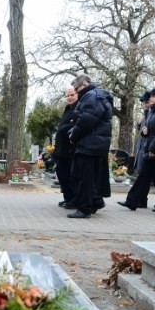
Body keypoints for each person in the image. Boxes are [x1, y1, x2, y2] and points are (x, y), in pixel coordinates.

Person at [118, 87, 155, 213]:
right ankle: (132, 201)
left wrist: (152, 148)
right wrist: (144, 131)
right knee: (143, 177)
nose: (150, 98)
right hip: (151, 150)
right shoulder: (152, 111)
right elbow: (149, 130)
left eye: (153, 96)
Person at [66, 74, 113, 219]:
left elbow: (87, 119)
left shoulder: (92, 96)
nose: (77, 92)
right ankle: (95, 201)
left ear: (84, 84)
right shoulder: (97, 95)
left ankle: (84, 208)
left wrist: (74, 136)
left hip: (89, 144)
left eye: (77, 89)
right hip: (95, 143)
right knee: (91, 177)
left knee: (84, 177)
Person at [53, 86, 79, 208]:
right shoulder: (68, 108)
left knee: (69, 175)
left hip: (70, 148)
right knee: (61, 173)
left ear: (78, 95)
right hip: (61, 147)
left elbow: (76, 125)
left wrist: (64, 129)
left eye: (72, 95)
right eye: (67, 95)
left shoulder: (79, 108)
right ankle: (68, 197)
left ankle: (73, 199)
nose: (69, 97)